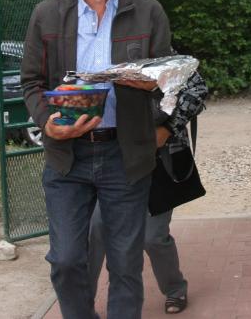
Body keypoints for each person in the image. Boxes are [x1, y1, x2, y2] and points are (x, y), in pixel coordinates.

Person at [21, 0, 173, 319]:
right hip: (67, 156)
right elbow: (31, 81)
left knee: (125, 264)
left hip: (125, 156)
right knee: (67, 260)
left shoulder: (148, 12)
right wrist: (47, 122)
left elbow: (169, 80)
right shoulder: (47, 14)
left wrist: (152, 91)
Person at [88, 71, 208, 315]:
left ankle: (175, 288)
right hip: (115, 161)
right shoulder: (104, 58)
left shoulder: (167, 57)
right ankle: (80, 299)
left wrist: (167, 128)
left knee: (152, 237)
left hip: (159, 161)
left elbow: (197, 91)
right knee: (96, 229)